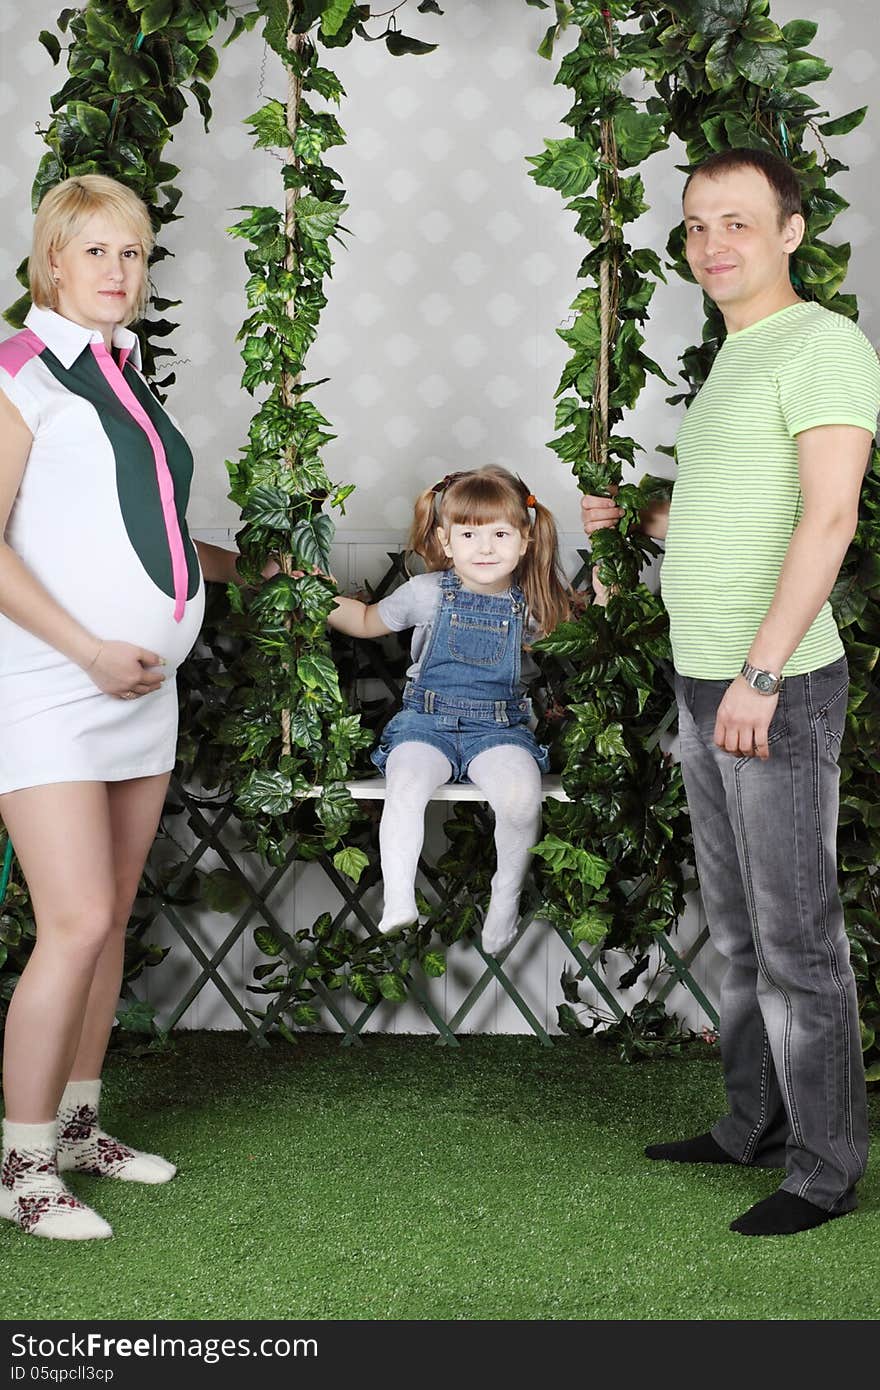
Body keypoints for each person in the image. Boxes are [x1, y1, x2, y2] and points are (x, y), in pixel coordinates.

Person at [582, 147, 880, 1237]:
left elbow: (829, 518)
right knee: (739, 927)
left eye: (738, 223)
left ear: (790, 233)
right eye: (697, 224)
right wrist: (648, 525)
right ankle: (749, 1118)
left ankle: (822, 1166)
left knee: (798, 934)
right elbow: (750, 504)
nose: (713, 244)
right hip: (702, 678)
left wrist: (758, 673)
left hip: (774, 684)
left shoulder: (823, 344)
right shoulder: (736, 357)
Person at [0, 174, 268, 1241]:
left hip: (137, 692)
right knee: (69, 923)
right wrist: (88, 649)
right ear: (51, 261)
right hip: (53, 683)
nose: (120, 272)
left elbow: (139, 522)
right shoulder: (19, 370)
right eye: (98, 252)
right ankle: (21, 1168)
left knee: (109, 920)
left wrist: (234, 574)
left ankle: (78, 1124)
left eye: (135, 255)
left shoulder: (122, 375)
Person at [328, 465, 572, 955]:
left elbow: (584, 628)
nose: (485, 548)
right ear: (445, 539)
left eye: (501, 534)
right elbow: (366, 620)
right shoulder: (426, 593)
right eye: (469, 534)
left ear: (525, 540)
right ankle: (398, 899)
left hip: (499, 728)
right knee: (406, 784)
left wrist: (608, 580)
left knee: (522, 797)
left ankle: (506, 895)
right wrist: (310, 592)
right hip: (426, 722)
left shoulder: (532, 603)